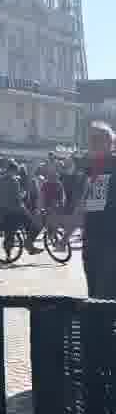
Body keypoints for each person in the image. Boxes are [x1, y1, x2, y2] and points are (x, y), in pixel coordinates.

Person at [81, 122, 116, 298]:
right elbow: (86, 206)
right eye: (90, 140)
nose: (92, 144)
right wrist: (65, 235)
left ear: (110, 143)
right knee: (95, 296)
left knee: (104, 298)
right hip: (91, 244)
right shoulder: (92, 170)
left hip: (109, 245)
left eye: (97, 139)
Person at [0, 159, 43, 255]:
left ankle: (8, 255)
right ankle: (29, 244)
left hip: (4, 210)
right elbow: (17, 198)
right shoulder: (14, 181)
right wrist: (23, 194)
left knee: (9, 232)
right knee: (35, 226)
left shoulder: (0, 180)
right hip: (16, 210)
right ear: (13, 170)